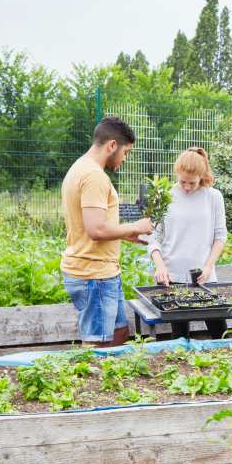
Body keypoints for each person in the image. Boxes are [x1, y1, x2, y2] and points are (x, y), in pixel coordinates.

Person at [60, 117, 154, 347]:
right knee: (99, 347)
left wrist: (123, 234)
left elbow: (92, 225)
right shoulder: (94, 176)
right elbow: (95, 229)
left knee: (119, 334)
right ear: (112, 145)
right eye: (126, 152)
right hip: (94, 275)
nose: (124, 158)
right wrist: (136, 226)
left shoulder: (81, 168)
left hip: (101, 273)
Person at [147, 147, 228, 339]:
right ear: (176, 174)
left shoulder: (213, 197)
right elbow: (153, 238)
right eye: (182, 182)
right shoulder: (163, 196)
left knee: (221, 335)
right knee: (180, 340)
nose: (186, 187)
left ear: (202, 175)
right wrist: (160, 266)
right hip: (172, 278)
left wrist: (209, 266)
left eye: (192, 183)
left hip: (205, 278)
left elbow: (220, 236)